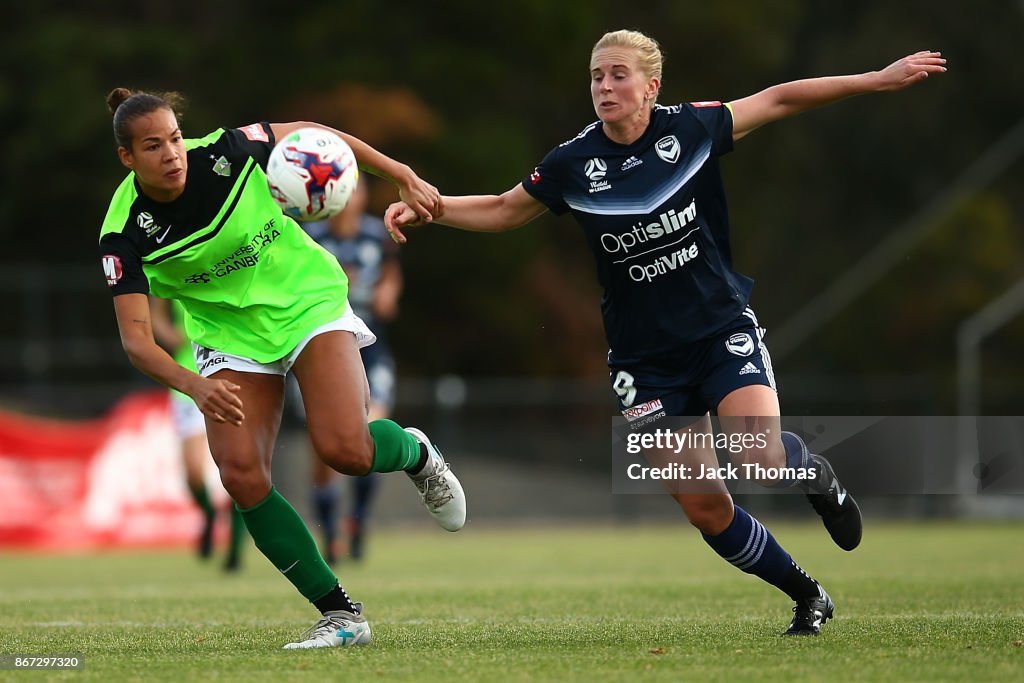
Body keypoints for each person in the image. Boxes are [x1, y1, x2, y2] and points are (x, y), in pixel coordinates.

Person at [385, 31, 946, 636]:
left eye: (618, 75)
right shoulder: (572, 163)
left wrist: (874, 79)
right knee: (705, 507)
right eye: (597, 76)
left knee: (760, 455)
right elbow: (502, 209)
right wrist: (434, 208)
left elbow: (780, 98)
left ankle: (813, 472)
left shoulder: (693, 130)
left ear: (652, 86)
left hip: (718, 330)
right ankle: (807, 593)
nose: (604, 87)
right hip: (643, 362)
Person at [98, 88, 467, 650]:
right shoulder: (123, 233)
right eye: (153, 146)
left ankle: (415, 454)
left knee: (346, 451)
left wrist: (400, 173)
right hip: (230, 339)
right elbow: (137, 342)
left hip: (305, 302)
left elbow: (315, 133)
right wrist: (196, 386)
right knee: (242, 474)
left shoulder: (225, 151)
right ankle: (340, 614)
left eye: (174, 137)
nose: (172, 153)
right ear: (127, 157)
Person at [293, 178, 402, 565]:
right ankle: (330, 534)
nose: (349, 198)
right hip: (321, 354)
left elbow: (391, 273)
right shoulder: (308, 236)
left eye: (355, 190)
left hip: (371, 352)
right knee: (326, 452)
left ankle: (357, 520)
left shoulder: (378, 235)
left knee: (370, 434)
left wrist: (389, 290)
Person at [149, 296, 248, 571]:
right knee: (193, 473)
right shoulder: (170, 264)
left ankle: (235, 550)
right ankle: (209, 514)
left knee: (238, 465)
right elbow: (155, 316)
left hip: (230, 374)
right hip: (188, 381)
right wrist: (173, 336)